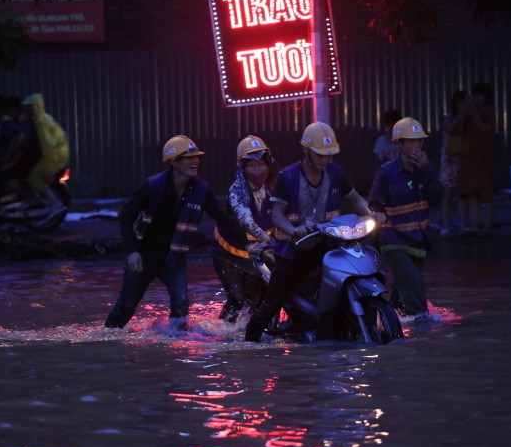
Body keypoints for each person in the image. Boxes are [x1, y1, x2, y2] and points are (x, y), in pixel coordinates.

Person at [104, 135, 248, 330]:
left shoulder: (201, 190)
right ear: (173, 161)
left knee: (181, 305)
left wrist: (249, 244)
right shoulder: (152, 186)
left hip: (173, 259)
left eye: (196, 157)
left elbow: (224, 220)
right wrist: (131, 252)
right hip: (143, 257)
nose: (195, 161)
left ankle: (175, 346)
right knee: (126, 305)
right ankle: (109, 340)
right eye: (189, 158)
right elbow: (126, 216)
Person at [244, 122, 372, 342]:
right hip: (292, 251)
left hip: (328, 248)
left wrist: (371, 214)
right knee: (271, 305)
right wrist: (294, 230)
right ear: (306, 151)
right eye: (320, 154)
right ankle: (248, 345)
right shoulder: (288, 176)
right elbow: (277, 216)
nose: (326, 159)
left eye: (330, 155)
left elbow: (356, 200)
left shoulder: (335, 172)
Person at [368, 117, 441, 321]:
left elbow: (438, 196)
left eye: (419, 141)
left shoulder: (426, 169)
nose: (417, 145)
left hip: (418, 240)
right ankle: (420, 320)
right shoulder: (386, 172)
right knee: (413, 280)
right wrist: (378, 213)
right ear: (399, 144)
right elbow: (374, 202)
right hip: (395, 241)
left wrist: (426, 169)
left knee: (405, 284)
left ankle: (388, 317)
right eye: (411, 140)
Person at [211, 135, 276, 323]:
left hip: (257, 254)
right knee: (237, 300)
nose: (257, 170)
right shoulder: (236, 191)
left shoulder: (274, 188)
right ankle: (221, 336)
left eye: (261, 164)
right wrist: (266, 238)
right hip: (228, 254)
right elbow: (246, 220)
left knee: (257, 302)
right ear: (243, 168)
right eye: (251, 165)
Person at [454, 82, 496, 237]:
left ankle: (487, 226)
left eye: (480, 95)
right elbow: (456, 129)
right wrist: (463, 113)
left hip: (483, 155)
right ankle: (475, 226)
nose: (477, 98)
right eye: (475, 95)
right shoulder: (469, 111)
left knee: (486, 191)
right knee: (471, 191)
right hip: (468, 155)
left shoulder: (488, 112)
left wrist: (474, 115)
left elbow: (485, 129)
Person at [22, 93, 70, 217]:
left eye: (29, 107)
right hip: (57, 155)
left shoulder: (42, 123)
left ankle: (55, 203)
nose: (25, 109)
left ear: (35, 107)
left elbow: (47, 145)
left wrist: (51, 168)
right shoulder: (41, 119)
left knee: (32, 178)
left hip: (54, 157)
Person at [439, 90, 468, 237]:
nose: (461, 105)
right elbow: (449, 130)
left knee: (462, 193)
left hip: (462, 158)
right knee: (447, 193)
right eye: (459, 102)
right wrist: (461, 115)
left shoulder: (469, 118)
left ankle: (462, 225)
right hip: (449, 159)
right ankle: (445, 225)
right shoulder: (448, 117)